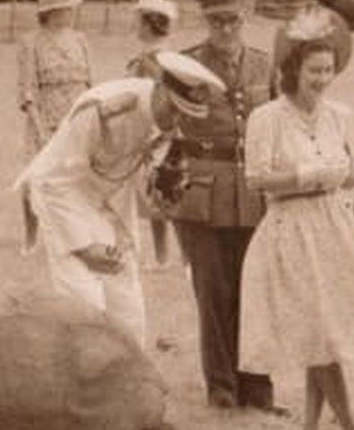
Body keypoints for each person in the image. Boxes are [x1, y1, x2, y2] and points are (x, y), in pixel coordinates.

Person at [239, 7, 354, 430]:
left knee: (322, 333)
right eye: (314, 70)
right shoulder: (267, 117)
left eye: (329, 70)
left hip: (333, 227)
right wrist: (309, 174)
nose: (322, 79)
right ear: (293, 70)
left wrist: (337, 177)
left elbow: (347, 174)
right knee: (322, 334)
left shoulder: (338, 116)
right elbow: (256, 179)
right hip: (290, 229)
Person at [14, 51, 226, 344]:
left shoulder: (168, 126)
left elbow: (136, 182)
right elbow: (55, 180)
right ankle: (79, 388)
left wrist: (162, 196)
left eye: (185, 114)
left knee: (129, 312)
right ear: (160, 87)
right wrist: (84, 247)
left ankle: (129, 387)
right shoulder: (107, 109)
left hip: (107, 203)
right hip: (62, 197)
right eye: (174, 108)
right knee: (85, 307)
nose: (177, 119)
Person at [165, 0, 279, 412]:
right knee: (213, 293)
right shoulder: (186, 65)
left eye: (232, 20)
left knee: (255, 290)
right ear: (205, 21)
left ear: (246, 18)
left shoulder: (264, 66)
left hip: (252, 190)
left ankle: (257, 388)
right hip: (204, 191)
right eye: (217, 21)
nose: (226, 30)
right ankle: (222, 390)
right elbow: (162, 118)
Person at [126, 0, 182, 269]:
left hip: (161, 133)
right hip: (149, 132)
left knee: (165, 195)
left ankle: (182, 260)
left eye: (138, 21)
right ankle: (162, 258)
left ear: (150, 23)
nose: (134, 26)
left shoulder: (159, 59)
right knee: (155, 199)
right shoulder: (149, 57)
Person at [16, 0, 95, 155]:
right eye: (69, 8)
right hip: (48, 125)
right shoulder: (32, 43)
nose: (73, 12)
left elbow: (91, 86)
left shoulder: (80, 39)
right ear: (53, 12)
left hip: (79, 123)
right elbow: (28, 91)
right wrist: (40, 131)